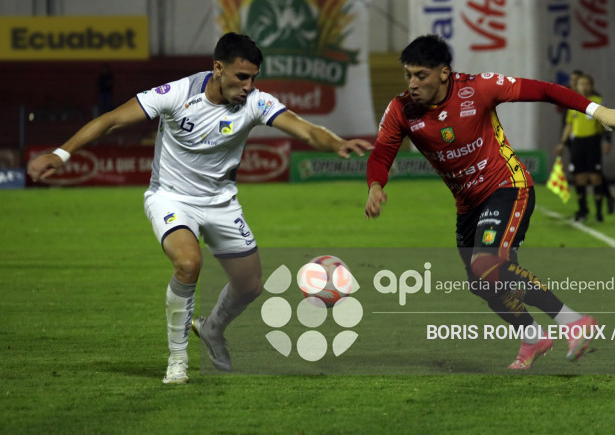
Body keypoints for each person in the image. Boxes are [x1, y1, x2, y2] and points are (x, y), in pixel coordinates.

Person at [28, 32, 372, 384]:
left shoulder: (255, 102)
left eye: (254, 77)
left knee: (250, 285)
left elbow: (304, 129)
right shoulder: (177, 94)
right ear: (218, 68)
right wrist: (61, 153)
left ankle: (212, 329)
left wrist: (336, 143)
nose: (248, 85)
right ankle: (177, 359)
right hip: (171, 197)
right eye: (242, 77)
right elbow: (112, 119)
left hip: (222, 202)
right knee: (189, 262)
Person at [364, 35, 615, 370]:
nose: (413, 83)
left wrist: (600, 112)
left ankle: (573, 322)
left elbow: (544, 90)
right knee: (481, 283)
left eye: (421, 75)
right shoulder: (401, 110)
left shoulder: (478, 88)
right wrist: (376, 185)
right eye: (408, 75)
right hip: (467, 205)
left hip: (507, 185)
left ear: (444, 73)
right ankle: (533, 336)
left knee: (486, 263)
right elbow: (381, 152)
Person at [555, 72, 614, 222]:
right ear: (577, 86)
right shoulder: (572, 103)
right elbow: (569, 125)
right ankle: (582, 211)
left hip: (593, 142)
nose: (584, 87)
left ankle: (599, 213)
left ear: (592, 86)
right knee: (579, 178)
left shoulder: (599, 102)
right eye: (582, 84)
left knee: (595, 177)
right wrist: (562, 142)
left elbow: (606, 123)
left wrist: (607, 140)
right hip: (577, 144)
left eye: (587, 84)